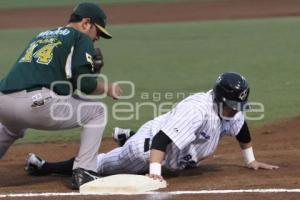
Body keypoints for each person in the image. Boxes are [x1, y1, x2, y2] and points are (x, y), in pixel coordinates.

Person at [25, 72, 278, 182]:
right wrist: (154, 173)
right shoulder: (197, 110)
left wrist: (250, 160)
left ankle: (127, 135)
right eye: (233, 104)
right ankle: (42, 166)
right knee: (99, 165)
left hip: (176, 154)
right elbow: (160, 139)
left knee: (181, 160)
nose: (236, 109)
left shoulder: (230, 111)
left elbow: (241, 129)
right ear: (220, 99)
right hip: (146, 151)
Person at [0, 2, 123, 189]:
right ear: (86, 23)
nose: (97, 38)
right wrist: (107, 87)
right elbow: (86, 85)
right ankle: (84, 172)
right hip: (35, 105)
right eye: (97, 31)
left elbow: (59, 82)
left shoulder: (41, 36)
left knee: (13, 128)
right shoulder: (81, 38)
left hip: (3, 102)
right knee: (97, 111)